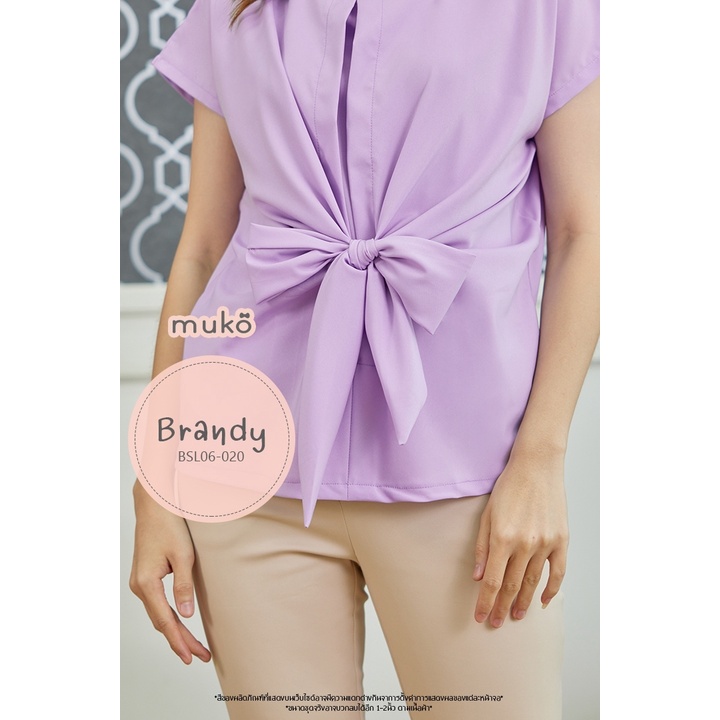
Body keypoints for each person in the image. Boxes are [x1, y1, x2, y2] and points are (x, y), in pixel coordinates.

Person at [129, 0, 599, 718]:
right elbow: (202, 247)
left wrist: (540, 460)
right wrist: (158, 481)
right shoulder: (233, 7)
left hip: (468, 477)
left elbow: (584, 233)